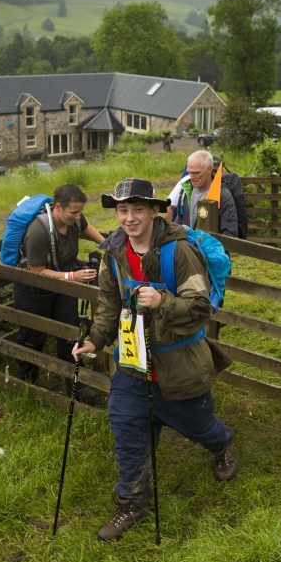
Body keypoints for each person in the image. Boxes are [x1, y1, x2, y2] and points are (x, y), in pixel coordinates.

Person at [72, 178, 237, 542]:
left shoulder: (178, 253)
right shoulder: (114, 253)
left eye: (137, 210)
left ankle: (222, 444)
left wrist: (163, 303)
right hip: (132, 366)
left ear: (154, 211)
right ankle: (130, 505)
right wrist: (94, 341)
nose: (129, 218)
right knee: (127, 431)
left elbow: (201, 308)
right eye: (122, 210)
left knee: (199, 426)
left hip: (179, 367)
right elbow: (108, 306)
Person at [14, 183, 104, 384]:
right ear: (57, 207)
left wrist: (105, 243)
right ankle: (28, 384)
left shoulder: (74, 219)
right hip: (34, 290)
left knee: (69, 332)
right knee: (33, 335)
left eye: (80, 211)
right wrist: (72, 277)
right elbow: (35, 271)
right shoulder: (39, 231)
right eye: (74, 212)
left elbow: (85, 227)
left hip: (63, 284)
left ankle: (74, 384)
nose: (78, 217)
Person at [168, 150, 238, 236]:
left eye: (196, 173)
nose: (192, 177)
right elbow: (179, 221)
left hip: (211, 248)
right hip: (187, 247)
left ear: (209, 169)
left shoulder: (222, 195)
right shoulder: (185, 192)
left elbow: (230, 233)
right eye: (189, 172)